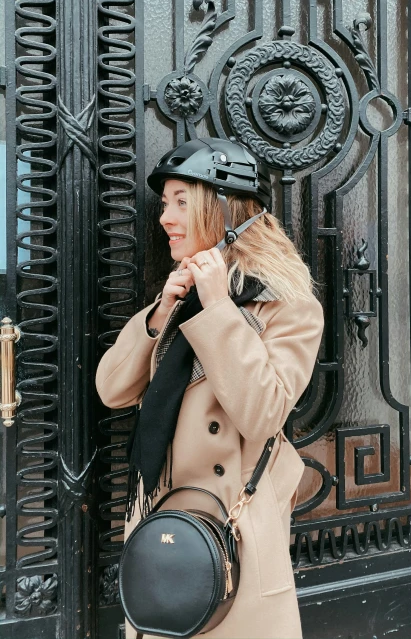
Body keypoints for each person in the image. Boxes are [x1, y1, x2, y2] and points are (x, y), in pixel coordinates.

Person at [95, 137, 324, 639]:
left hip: (233, 537)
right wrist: (157, 315)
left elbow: (262, 414)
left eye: (182, 202)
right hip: (164, 524)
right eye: (165, 204)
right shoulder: (177, 297)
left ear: (224, 212)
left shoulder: (288, 307)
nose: (165, 218)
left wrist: (219, 307)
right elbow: (112, 390)